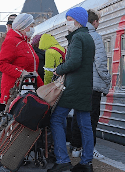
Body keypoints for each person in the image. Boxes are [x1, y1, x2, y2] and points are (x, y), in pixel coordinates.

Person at [47, 7, 95, 172]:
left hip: (73, 87)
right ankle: (86, 163)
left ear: (77, 20)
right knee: (84, 124)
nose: (67, 22)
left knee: (56, 119)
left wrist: (58, 70)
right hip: (85, 86)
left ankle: (62, 160)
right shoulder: (88, 37)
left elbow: (74, 62)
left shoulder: (77, 38)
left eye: (68, 19)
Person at [70, 9, 111, 160]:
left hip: (79, 85)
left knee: (78, 116)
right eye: (98, 21)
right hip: (92, 85)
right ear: (94, 22)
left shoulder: (76, 36)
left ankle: (75, 148)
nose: (99, 24)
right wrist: (107, 80)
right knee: (91, 119)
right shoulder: (95, 37)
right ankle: (89, 149)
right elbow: (100, 63)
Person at [0, 13, 43, 105]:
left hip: (28, 88)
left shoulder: (26, 43)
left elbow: (32, 70)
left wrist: (41, 87)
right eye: (31, 26)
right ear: (23, 27)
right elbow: (1, 64)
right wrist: (21, 72)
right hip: (15, 89)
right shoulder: (12, 41)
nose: (33, 28)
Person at [0, 14, 17, 117]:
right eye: (9, 25)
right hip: (1, 83)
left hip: (15, 83)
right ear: (7, 26)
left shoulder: (21, 41)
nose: (10, 27)